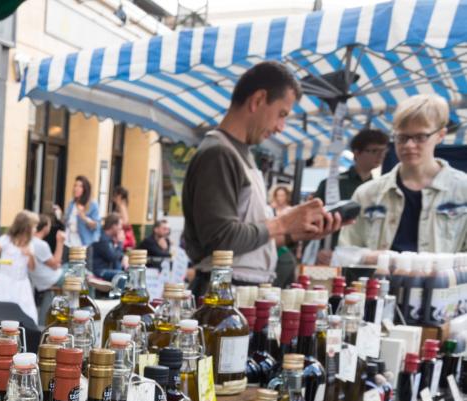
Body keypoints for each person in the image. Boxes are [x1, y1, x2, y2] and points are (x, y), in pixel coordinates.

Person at [181, 60, 341, 293]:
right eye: (281, 114)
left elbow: (246, 245)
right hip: (221, 295)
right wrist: (283, 222)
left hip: (239, 290)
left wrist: (294, 233)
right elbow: (221, 240)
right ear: (257, 101)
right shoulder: (219, 153)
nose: (281, 127)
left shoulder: (239, 153)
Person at [341, 94, 467, 253]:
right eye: (402, 137)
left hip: (446, 278)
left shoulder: (463, 190)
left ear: (440, 135)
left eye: (420, 137)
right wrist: (371, 257)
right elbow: (347, 250)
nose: (409, 145)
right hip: (377, 278)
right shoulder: (367, 194)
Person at [313, 128, 389, 258]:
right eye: (374, 151)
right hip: (331, 252)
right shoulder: (332, 184)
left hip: (366, 256)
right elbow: (315, 220)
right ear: (356, 153)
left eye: (383, 151)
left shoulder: (381, 189)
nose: (380, 156)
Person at [0, 209, 40, 324]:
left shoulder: (30, 244)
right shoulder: (6, 240)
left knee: (27, 314)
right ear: (25, 228)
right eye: (34, 227)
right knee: (2, 313)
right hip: (5, 282)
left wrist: (31, 255)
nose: (36, 230)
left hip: (22, 285)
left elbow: (32, 268)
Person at [31, 213, 67, 323]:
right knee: (82, 275)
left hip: (43, 279)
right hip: (52, 278)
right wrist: (60, 241)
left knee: (69, 266)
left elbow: (52, 263)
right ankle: (87, 310)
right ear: (46, 227)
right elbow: (55, 264)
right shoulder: (40, 244)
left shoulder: (30, 242)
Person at [90, 214, 127, 282]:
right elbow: (112, 257)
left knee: (126, 273)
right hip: (99, 271)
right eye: (120, 225)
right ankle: (118, 292)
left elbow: (116, 256)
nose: (121, 228)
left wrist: (123, 257)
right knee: (122, 276)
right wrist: (120, 243)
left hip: (108, 269)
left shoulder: (108, 238)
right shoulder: (102, 239)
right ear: (113, 226)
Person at [69, 175, 101, 248]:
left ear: (85, 189)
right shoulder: (72, 203)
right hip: (69, 242)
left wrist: (84, 217)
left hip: (84, 244)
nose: (76, 188)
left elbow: (96, 225)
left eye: (80, 186)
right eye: (75, 185)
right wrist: (59, 214)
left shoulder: (92, 204)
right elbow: (68, 222)